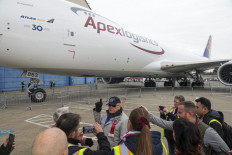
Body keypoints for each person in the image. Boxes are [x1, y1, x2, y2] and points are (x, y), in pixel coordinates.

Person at [141, 101, 231, 155]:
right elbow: (164, 123)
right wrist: (147, 114)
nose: (177, 115)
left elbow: (226, 151)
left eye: (180, 112)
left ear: (190, 113)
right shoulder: (180, 124)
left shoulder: (207, 131)